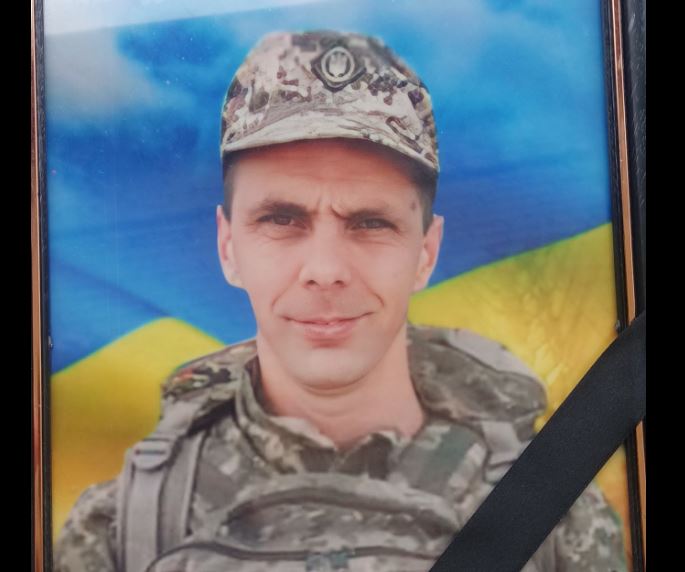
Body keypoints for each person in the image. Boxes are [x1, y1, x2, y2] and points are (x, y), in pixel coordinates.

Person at [54, 30, 627, 572]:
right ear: (228, 248)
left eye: (371, 222)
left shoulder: (556, 513)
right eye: (281, 219)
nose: (326, 271)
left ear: (426, 253)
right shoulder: (118, 529)